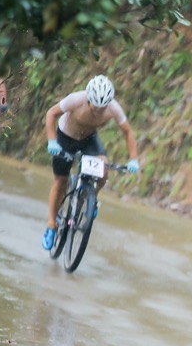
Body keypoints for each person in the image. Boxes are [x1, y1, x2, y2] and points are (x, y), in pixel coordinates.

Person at [41, 75, 140, 250]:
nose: (99, 111)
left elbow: (128, 132)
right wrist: (52, 141)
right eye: (95, 107)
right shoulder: (76, 99)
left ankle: (89, 199)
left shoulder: (114, 108)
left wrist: (134, 159)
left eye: (103, 108)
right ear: (88, 100)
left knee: (103, 170)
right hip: (66, 138)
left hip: (89, 139)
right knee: (60, 182)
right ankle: (50, 225)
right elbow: (51, 113)